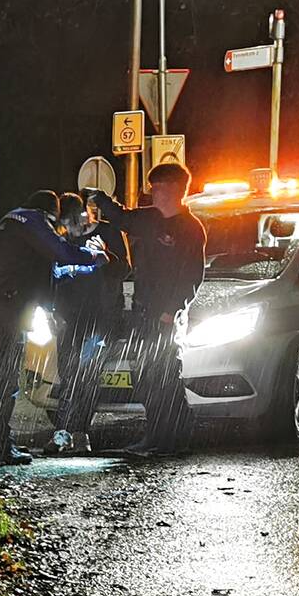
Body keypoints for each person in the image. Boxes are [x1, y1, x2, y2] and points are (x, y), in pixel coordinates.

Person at [0, 191, 104, 464]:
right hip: (4, 310)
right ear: (51, 214)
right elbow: (57, 251)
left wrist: (78, 269)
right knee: (4, 379)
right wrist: (92, 257)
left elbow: (45, 271)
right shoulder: (31, 220)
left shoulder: (13, 225)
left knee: (2, 378)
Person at [87, 161, 206, 455]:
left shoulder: (190, 229)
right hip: (143, 310)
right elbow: (121, 218)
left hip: (167, 316)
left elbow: (193, 275)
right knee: (148, 377)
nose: (153, 193)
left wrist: (173, 309)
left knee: (165, 377)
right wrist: (99, 198)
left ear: (175, 190)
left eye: (158, 188)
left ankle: (171, 437)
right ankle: (157, 436)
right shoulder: (150, 219)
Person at [48, 191, 127, 454]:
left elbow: (124, 269)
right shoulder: (62, 239)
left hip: (100, 316)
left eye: (68, 223)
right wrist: (53, 310)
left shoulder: (107, 233)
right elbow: (53, 278)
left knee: (87, 373)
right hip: (68, 317)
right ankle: (70, 434)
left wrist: (106, 256)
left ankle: (75, 434)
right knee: (68, 373)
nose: (66, 230)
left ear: (83, 215)